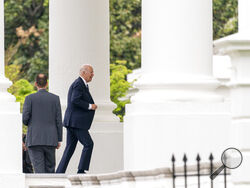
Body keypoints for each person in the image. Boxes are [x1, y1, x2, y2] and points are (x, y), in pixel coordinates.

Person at [56, 64, 97, 174]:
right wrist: (90, 106)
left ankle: (59, 172)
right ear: (83, 73)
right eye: (91, 72)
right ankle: (81, 170)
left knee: (69, 149)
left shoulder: (81, 84)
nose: (93, 75)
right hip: (77, 123)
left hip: (73, 122)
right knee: (88, 144)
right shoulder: (79, 84)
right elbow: (75, 100)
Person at [22, 74, 62, 173]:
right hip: (51, 139)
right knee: (50, 170)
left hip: (34, 139)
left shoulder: (29, 98)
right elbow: (58, 120)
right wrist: (59, 139)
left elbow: (25, 119)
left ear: (36, 84)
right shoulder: (55, 99)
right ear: (47, 84)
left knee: (39, 171)